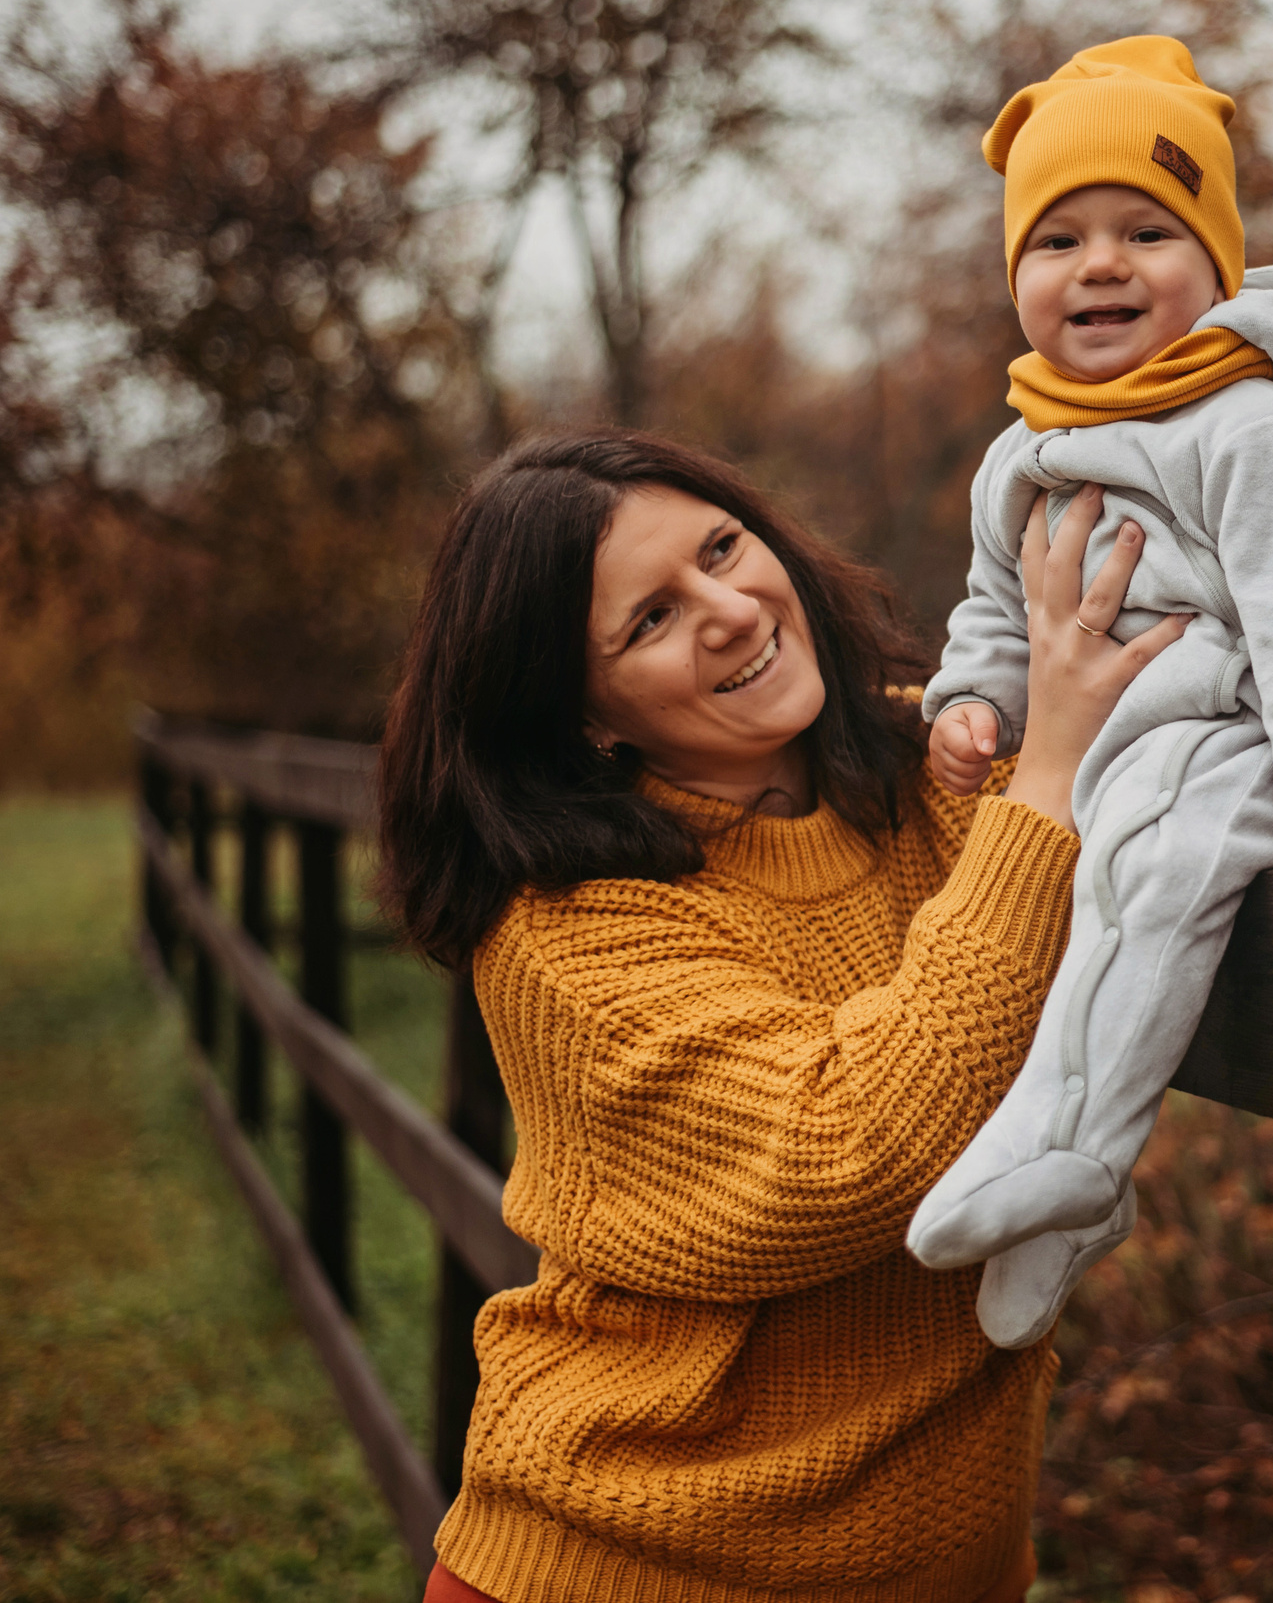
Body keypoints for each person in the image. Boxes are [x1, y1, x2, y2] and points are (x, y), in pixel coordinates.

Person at [375, 428, 1187, 1603]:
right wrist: (1054, 768)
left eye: (721, 545)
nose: (730, 609)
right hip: (638, 1567)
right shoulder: (569, 930)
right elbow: (847, 1147)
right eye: (648, 618)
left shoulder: (939, 776)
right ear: (583, 711)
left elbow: (1210, 850)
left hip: (953, 1563)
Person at [905, 35, 1273, 1350]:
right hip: (1099, 755)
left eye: (1146, 228)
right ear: (1018, 276)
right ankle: (1067, 1194)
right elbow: (994, 603)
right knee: (1063, 902)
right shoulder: (1021, 451)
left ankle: (1067, 1148)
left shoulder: (1251, 424)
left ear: (1217, 262)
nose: (1103, 265)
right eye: (1059, 239)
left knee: (1149, 871)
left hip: (1234, 738)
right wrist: (975, 700)